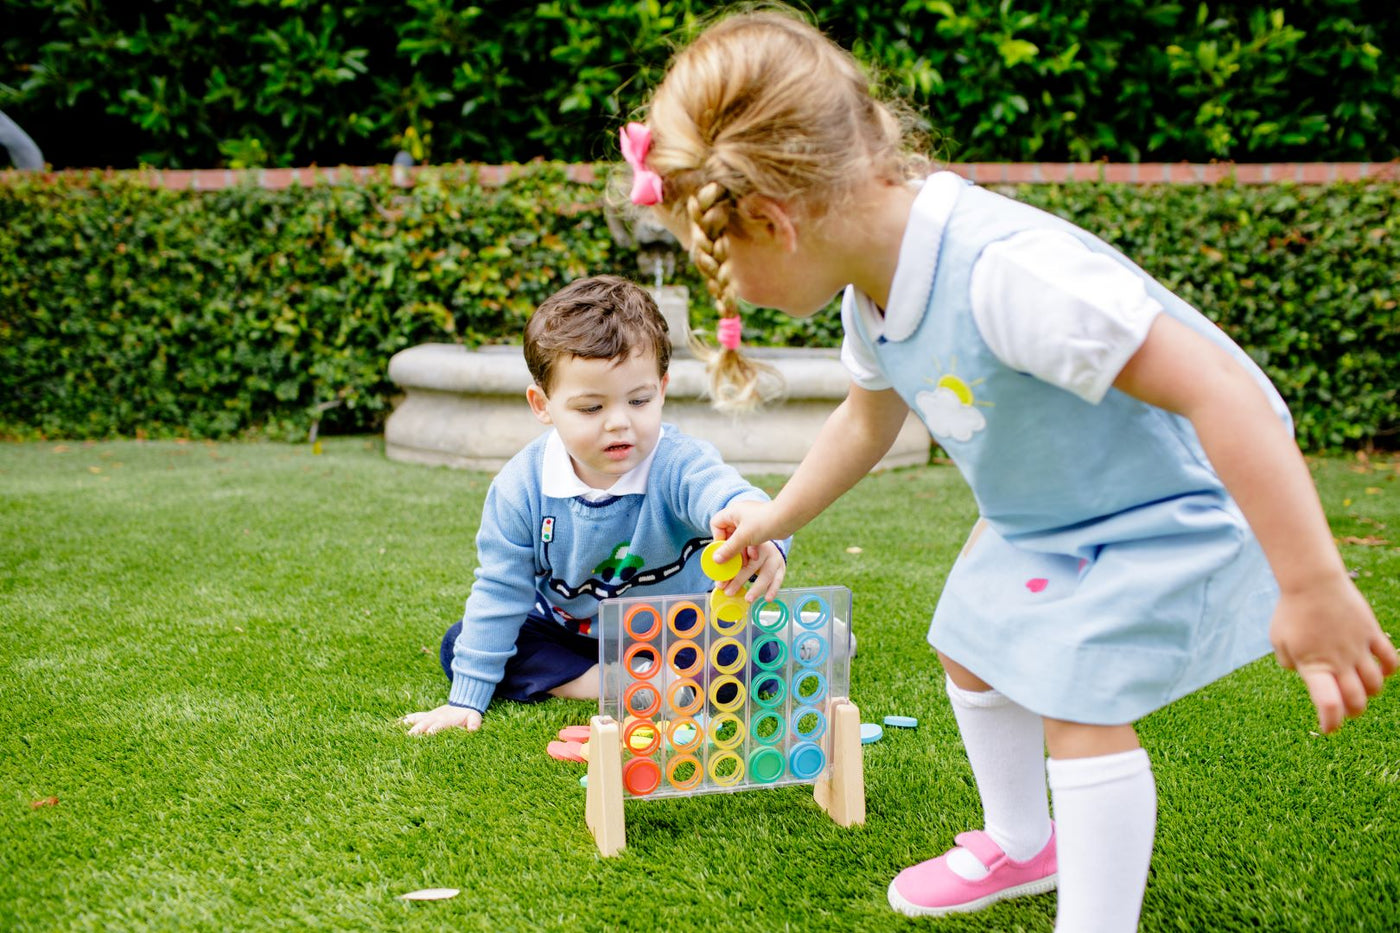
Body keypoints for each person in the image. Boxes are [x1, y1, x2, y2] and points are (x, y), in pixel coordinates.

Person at [618, 8, 1398, 932]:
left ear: (777, 224)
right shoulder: (873, 285)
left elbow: (1223, 393)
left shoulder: (1004, 275)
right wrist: (775, 516)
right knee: (971, 641)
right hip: (1057, 508)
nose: (730, 287)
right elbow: (867, 417)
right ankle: (1026, 844)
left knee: (1074, 699)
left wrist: (1311, 582)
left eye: (718, 262)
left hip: (1173, 497)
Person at [402, 275, 788, 736]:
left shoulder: (679, 463)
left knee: (752, 655)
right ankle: (616, 685)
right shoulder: (520, 487)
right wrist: (465, 700)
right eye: (590, 408)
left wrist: (755, 526)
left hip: (681, 632)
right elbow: (501, 590)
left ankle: (794, 640)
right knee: (462, 644)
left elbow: (733, 497)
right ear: (542, 405)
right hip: (575, 637)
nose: (619, 423)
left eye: (639, 400)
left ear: (662, 389)